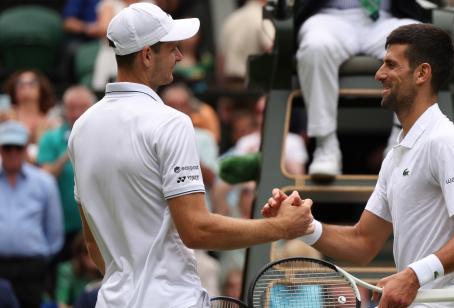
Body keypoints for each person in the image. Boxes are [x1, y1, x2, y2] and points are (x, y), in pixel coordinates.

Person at [67, 3, 313, 307]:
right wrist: (281, 227)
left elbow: (94, 244)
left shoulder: (80, 128)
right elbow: (196, 229)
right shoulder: (171, 122)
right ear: (146, 55)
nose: (180, 56)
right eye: (172, 48)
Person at [264, 23, 454, 307]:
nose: (379, 74)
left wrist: (412, 276)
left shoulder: (445, 141)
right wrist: (304, 226)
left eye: (390, 65)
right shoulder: (397, 155)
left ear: (422, 73)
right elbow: (363, 243)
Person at [296, 0, 423, 178]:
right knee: (316, 45)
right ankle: (325, 146)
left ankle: (400, 143)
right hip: (330, 17)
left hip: (387, 18)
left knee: (415, 42)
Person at [0, 121, 64, 308]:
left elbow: (55, 230)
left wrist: (42, 258)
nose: (13, 152)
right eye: (7, 147)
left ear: (26, 149)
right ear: (1, 149)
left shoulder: (44, 183)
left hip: (32, 267)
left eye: (17, 148)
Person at [37, 86, 95, 261]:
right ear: (64, 110)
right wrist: (69, 150)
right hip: (63, 224)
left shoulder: (103, 135)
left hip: (96, 222)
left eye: (82, 107)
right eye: (71, 108)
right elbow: (45, 176)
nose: (77, 113)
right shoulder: (51, 138)